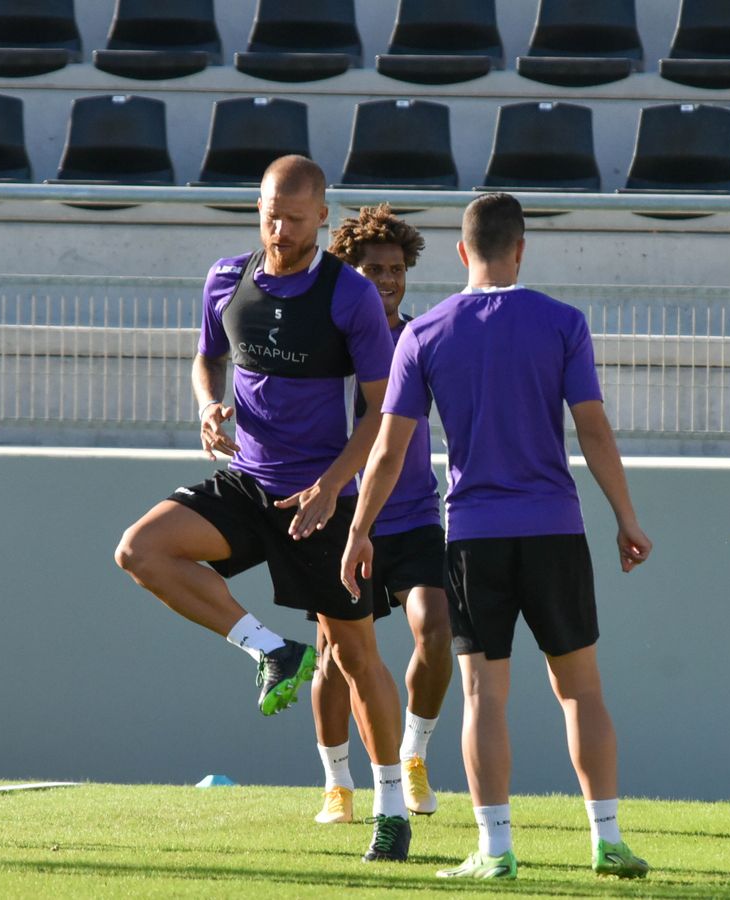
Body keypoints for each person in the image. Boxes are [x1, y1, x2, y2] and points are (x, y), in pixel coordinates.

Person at [342, 192, 653, 881]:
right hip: (556, 530)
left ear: (461, 252)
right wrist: (627, 518)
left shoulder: (424, 334)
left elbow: (390, 454)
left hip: (476, 536)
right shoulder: (563, 322)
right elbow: (594, 429)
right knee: (582, 691)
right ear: (519, 250)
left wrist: (359, 530)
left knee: (485, 695)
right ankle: (606, 839)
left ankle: (497, 849)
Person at [115, 155, 414, 862]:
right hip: (249, 483)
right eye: (269, 213)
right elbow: (205, 357)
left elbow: (381, 409)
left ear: (321, 217)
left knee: (357, 655)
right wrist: (207, 405)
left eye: (294, 217)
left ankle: (392, 808)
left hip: (322, 497)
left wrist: (333, 488)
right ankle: (271, 650)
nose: (279, 229)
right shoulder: (227, 277)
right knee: (141, 549)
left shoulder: (350, 297)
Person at [310, 204, 450, 826]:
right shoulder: (328, 348)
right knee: (335, 660)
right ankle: (337, 782)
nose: (387, 280)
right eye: (373, 270)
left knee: (438, 631)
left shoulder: (420, 338)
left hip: (415, 514)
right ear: (349, 272)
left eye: (395, 269)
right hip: (342, 520)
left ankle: (413, 754)